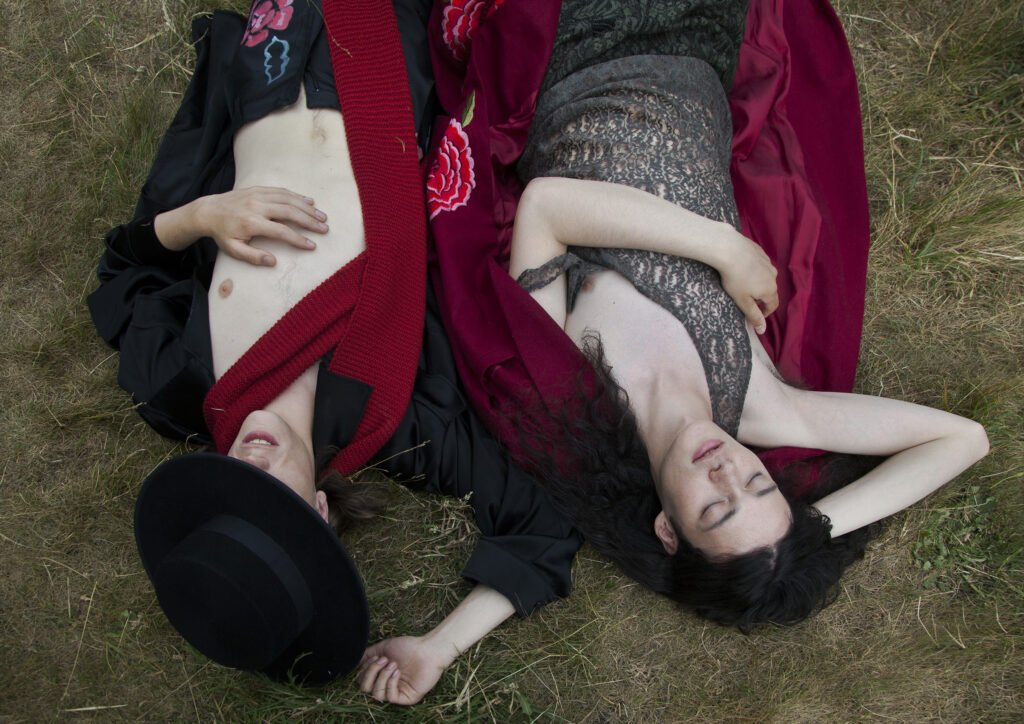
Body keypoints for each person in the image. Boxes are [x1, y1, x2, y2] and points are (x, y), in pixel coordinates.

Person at [422, 0, 990, 630]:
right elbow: (964, 439)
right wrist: (806, 530)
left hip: (571, 51)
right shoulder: (762, 405)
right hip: (696, 47)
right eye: (760, 486)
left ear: (667, 530)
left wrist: (724, 249)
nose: (727, 472)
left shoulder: (572, 407)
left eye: (715, 511)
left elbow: (545, 208)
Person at [88, 0, 580, 703]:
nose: (252, 463)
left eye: (231, 484)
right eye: (270, 494)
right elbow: (544, 522)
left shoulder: (181, 379)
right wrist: (438, 646)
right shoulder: (391, 415)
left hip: (275, 59)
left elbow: (123, 270)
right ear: (319, 509)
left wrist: (203, 215)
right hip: (388, 62)